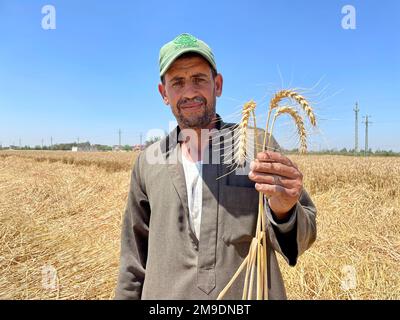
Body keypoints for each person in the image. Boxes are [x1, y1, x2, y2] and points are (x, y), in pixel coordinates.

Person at [115, 33, 317, 300]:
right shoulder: (148, 162)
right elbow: (133, 258)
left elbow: (302, 239)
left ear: (217, 85)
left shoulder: (258, 144)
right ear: (164, 93)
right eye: (177, 82)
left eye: (199, 79)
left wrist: (285, 210)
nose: (189, 92)